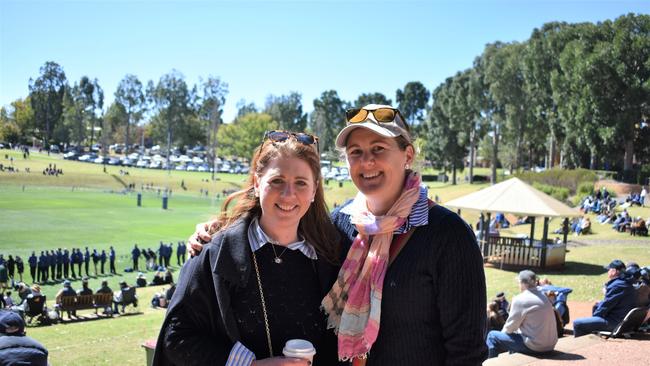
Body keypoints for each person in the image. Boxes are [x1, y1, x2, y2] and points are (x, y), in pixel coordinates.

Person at [188, 105, 488, 365]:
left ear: (407, 154)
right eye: (356, 152)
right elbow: (279, 217)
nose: (366, 161)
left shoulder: (448, 236)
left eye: (378, 149)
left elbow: (467, 352)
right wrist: (216, 231)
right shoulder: (340, 223)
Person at [154, 130, 342, 365]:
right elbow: (176, 337)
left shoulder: (331, 257)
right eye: (277, 180)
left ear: (314, 190)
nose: (288, 194)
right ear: (256, 182)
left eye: (301, 183)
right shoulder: (214, 253)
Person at [486, 270, 558, 358]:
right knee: (515, 336)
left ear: (522, 283)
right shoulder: (544, 296)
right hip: (550, 345)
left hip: (536, 347)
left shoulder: (520, 299)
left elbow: (509, 328)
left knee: (492, 336)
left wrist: (502, 338)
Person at [572, 259, 636, 337]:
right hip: (623, 321)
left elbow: (606, 306)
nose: (608, 272)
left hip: (615, 322)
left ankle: (582, 346)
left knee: (577, 323)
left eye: (609, 270)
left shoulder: (617, 285)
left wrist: (596, 316)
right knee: (596, 306)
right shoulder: (627, 283)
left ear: (614, 271)